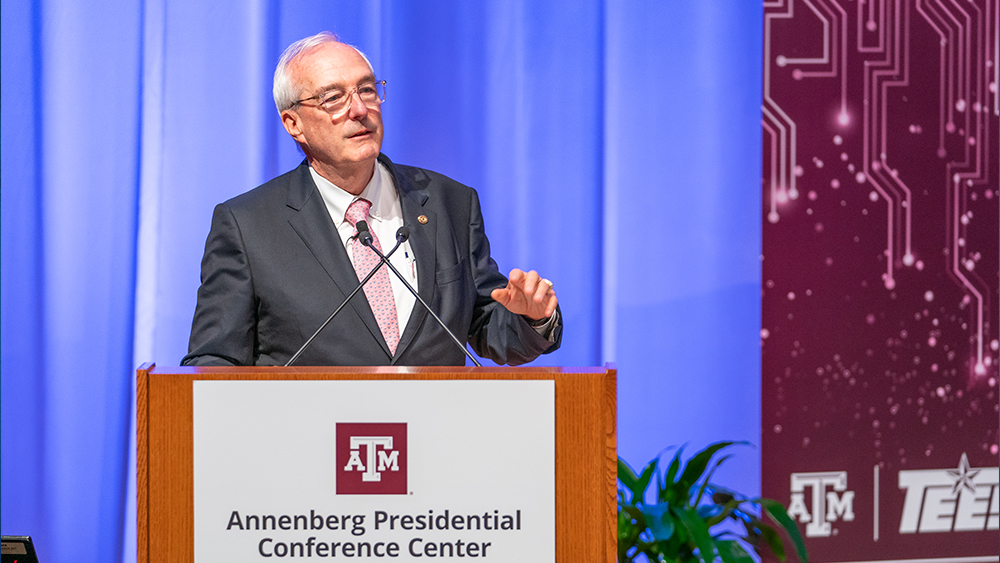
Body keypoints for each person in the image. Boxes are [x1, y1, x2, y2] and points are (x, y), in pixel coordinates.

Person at [181, 32, 561, 367]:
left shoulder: (450, 203)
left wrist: (533, 318)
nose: (360, 109)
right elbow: (215, 360)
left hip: (433, 438)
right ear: (293, 123)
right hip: (309, 441)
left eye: (366, 89)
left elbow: (484, 324)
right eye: (332, 98)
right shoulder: (248, 225)